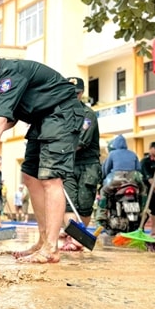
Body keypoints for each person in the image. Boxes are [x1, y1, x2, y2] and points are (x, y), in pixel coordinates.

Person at [0, 35, 85, 263]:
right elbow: (9, 118)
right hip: (41, 120)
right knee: (30, 175)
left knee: (51, 179)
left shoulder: (10, 73)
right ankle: (42, 240)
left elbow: (0, 117)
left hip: (61, 113)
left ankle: (51, 248)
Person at [61, 77, 102, 251]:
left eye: (76, 93)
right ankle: (73, 237)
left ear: (82, 93)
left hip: (88, 165)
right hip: (69, 164)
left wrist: (57, 151)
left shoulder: (88, 115)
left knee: (84, 203)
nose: (73, 96)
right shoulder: (61, 113)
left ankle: (79, 239)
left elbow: (80, 142)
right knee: (69, 202)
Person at [96, 134, 145, 224]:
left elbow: (106, 169)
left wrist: (105, 178)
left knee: (104, 191)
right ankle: (144, 210)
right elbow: (138, 168)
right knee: (142, 192)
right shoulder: (132, 153)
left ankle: (101, 213)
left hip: (116, 179)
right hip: (133, 180)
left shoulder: (112, 154)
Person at [140, 141, 155, 236]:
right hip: (145, 188)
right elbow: (149, 178)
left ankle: (154, 230)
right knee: (144, 209)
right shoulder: (145, 161)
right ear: (150, 149)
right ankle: (140, 229)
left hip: (154, 189)